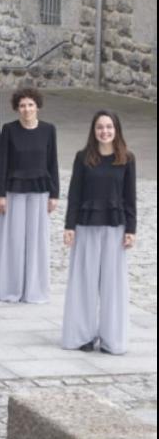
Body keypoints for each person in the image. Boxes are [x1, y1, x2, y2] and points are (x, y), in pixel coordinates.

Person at [62, 111, 135, 355]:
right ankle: (82, 334)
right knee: (84, 280)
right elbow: (74, 194)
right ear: (93, 131)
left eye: (109, 127)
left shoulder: (127, 159)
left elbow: (130, 197)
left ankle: (111, 337)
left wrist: (131, 230)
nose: (105, 131)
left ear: (116, 130)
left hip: (115, 226)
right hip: (86, 224)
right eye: (100, 127)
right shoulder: (83, 158)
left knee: (113, 284)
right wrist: (69, 226)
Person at [0, 87, 59, 304]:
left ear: (37, 106)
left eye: (30, 105)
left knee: (36, 240)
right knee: (14, 239)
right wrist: (0, 194)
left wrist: (54, 193)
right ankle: (11, 287)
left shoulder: (49, 129)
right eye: (22, 106)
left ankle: (34, 289)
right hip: (14, 190)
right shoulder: (9, 130)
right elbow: (2, 165)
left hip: (40, 190)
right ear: (17, 108)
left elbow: (52, 162)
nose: (27, 109)